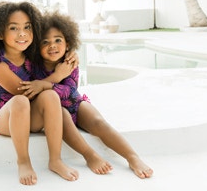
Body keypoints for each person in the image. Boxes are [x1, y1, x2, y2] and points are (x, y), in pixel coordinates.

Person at [19, 11, 153, 179]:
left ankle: (132, 157)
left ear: (68, 44)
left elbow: (69, 91)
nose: (52, 45)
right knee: (64, 118)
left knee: (98, 122)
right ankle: (90, 156)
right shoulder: (33, 66)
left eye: (58, 40)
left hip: (75, 103)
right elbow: (36, 96)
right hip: (57, 113)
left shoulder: (69, 62)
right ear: (37, 47)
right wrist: (49, 83)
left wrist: (45, 84)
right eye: (45, 42)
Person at [0, 2, 79, 186]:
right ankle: (23, 161)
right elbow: (23, 92)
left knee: (50, 96)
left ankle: (55, 160)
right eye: (14, 28)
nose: (22, 33)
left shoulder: (30, 54)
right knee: (20, 100)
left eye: (27, 27)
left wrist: (71, 55)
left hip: (30, 117)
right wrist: (58, 75)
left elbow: (53, 53)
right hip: (4, 119)